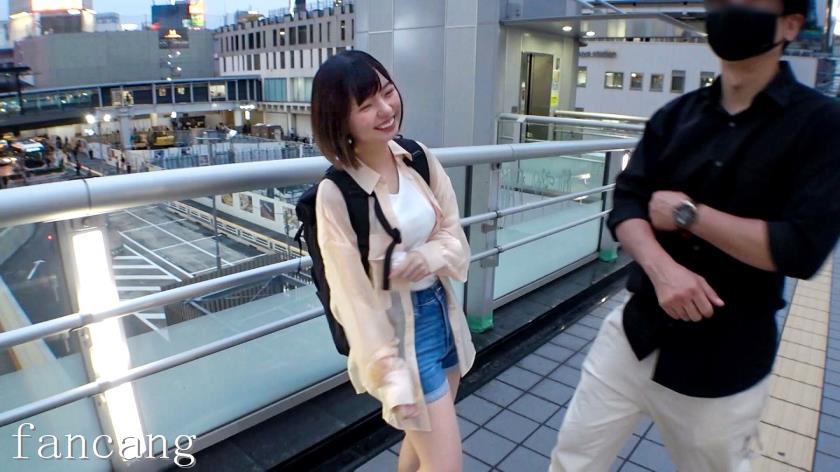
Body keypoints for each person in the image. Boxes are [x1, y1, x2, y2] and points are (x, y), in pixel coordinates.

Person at [550, 0, 840, 470]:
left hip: (725, 359)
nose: (728, 11)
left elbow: (801, 249)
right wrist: (663, 271)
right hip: (634, 333)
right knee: (572, 459)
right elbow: (627, 202)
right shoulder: (676, 115)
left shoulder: (820, 125)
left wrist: (689, 215)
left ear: (790, 25)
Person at [312, 50, 474, 472]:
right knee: (445, 463)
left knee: (421, 448)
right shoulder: (337, 193)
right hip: (399, 337)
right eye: (366, 105)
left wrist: (428, 255)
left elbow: (453, 233)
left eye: (386, 92)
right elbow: (351, 297)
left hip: (442, 311)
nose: (386, 109)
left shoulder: (417, 157)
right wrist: (389, 373)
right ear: (339, 119)